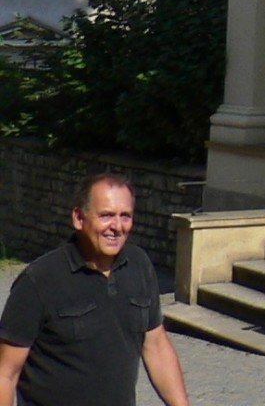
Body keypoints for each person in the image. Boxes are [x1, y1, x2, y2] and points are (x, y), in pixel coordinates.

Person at [0, 173, 192, 406]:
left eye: (125, 216)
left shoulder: (139, 265)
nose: (117, 227)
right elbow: (5, 373)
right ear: (79, 218)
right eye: (106, 216)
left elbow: (156, 345)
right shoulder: (39, 281)